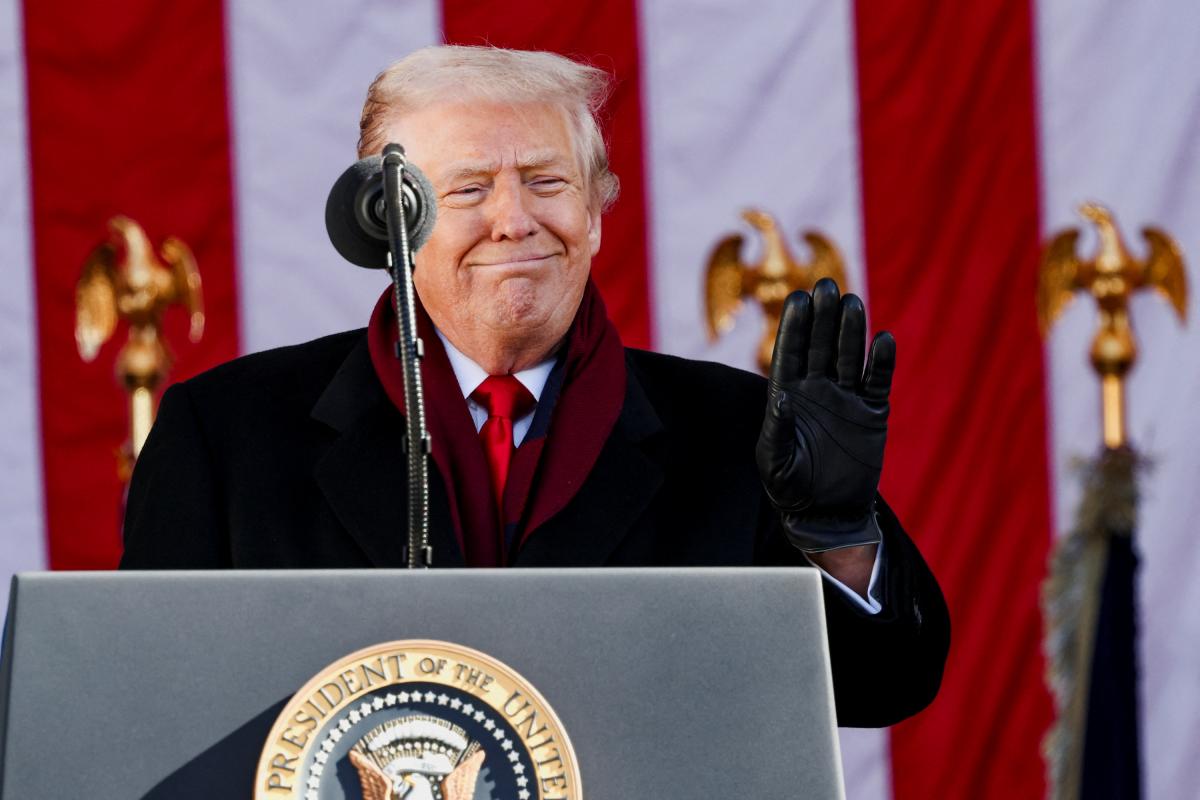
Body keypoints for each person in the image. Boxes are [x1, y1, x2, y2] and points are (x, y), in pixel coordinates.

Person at [120, 46, 949, 727]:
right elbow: (146, 713)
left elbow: (887, 687)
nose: (515, 218)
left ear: (594, 213)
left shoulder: (739, 431)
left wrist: (839, 534)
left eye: (548, 182)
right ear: (391, 224)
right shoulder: (225, 434)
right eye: (470, 188)